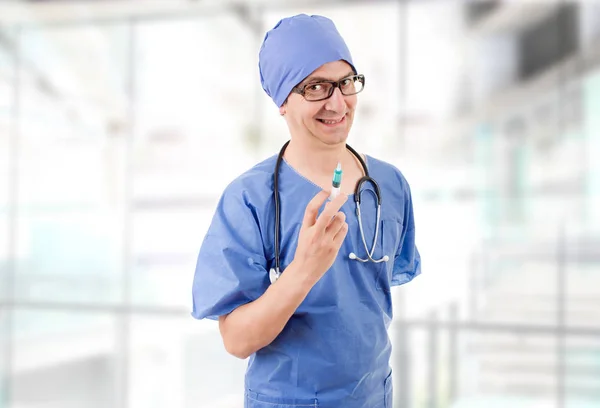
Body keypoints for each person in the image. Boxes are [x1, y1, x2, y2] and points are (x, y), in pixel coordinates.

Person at [191, 13, 421, 408]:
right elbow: (237, 339)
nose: (337, 102)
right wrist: (304, 271)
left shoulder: (389, 185)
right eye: (316, 87)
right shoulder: (251, 198)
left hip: (373, 397)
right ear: (283, 101)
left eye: (346, 83)